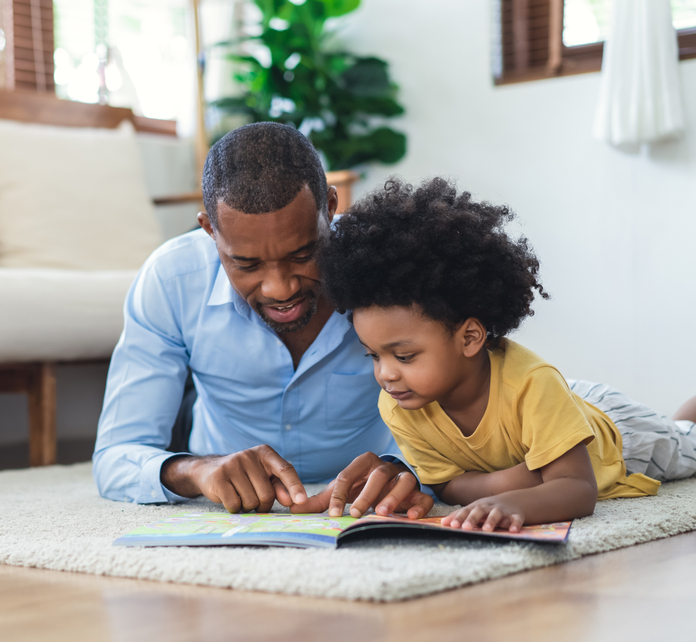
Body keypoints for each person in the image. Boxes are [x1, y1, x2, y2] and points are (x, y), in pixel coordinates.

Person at [92, 122, 433, 519]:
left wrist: (407, 466)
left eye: (303, 255)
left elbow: (468, 406)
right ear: (210, 231)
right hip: (214, 456)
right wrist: (197, 469)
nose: (279, 288)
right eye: (246, 264)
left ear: (330, 209)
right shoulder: (171, 280)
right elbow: (116, 455)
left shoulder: (392, 270)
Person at [316, 176, 696, 531]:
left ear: (469, 338)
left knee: (687, 442)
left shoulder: (531, 383)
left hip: (622, 436)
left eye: (404, 356)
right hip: (559, 410)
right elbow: (447, 485)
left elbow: (579, 489)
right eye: (374, 357)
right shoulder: (399, 405)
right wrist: (511, 481)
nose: (386, 375)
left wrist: (519, 502)